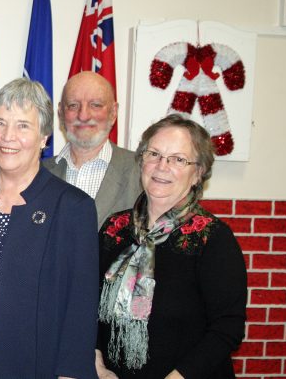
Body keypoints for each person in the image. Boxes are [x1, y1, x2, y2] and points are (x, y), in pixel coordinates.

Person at [0, 78, 98, 378]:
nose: (8, 136)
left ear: (43, 137)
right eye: (0, 122)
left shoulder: (72, 208)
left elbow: (80, 309)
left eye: (23, 125)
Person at [96, 114, 247, 379]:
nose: (161, 166)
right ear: (141, 161)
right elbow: (87, 302)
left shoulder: (212, 239)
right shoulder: (114, 228)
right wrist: (96, 360)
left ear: (198, 173)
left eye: (178, 159)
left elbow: (228, 328)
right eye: (153, 154)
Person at [43, 71, 141, 228]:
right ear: (61, 113)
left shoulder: (141, 171)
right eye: (73, 105)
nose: (83, 116)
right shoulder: (38, 173)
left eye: (95, 105)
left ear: (113, 112)